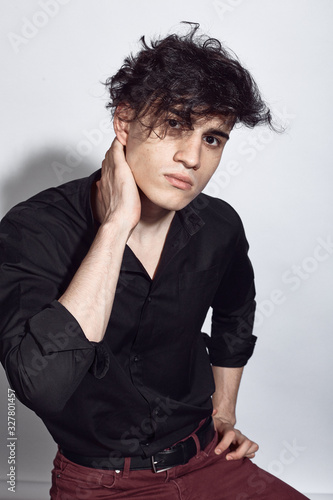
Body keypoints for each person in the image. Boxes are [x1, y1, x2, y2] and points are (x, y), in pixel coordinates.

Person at [0, 23, 309, 499]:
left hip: (207, 458)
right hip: (102, 482)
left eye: (212, 138)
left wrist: (224, 412)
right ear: (124, 123)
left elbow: (235, 316)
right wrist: (115, 227)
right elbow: (42, 385)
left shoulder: (219, 226)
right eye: (175, 125)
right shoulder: (35, 229)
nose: (192, 157)